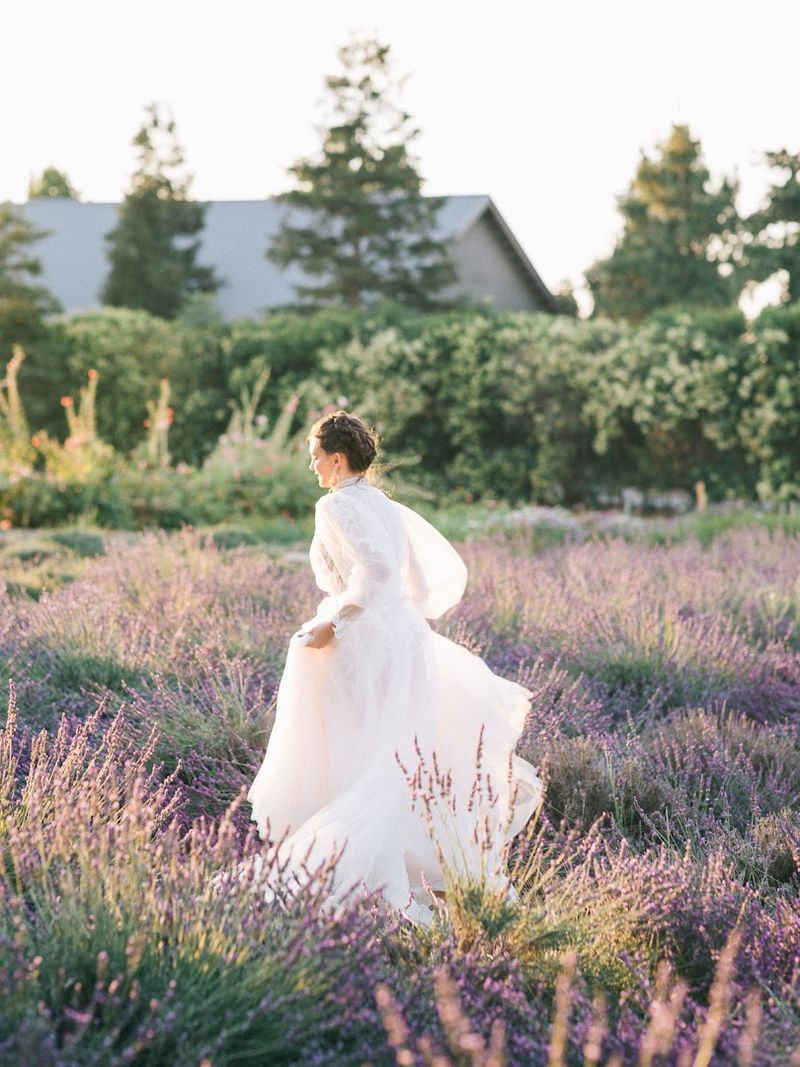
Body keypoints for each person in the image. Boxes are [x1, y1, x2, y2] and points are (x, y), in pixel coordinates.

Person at [246, 411, 542, 926]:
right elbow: (412, 579)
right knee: (396, 755)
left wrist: (333, 623)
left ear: (337, 459)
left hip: (364, 644)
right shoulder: (380, 502)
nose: (312, 465)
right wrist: (378, 614)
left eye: (316, 456)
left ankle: (367, 871)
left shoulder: (334, 504)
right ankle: (425, 872)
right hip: (404, 639)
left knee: (362, 755)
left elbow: (379, 572)